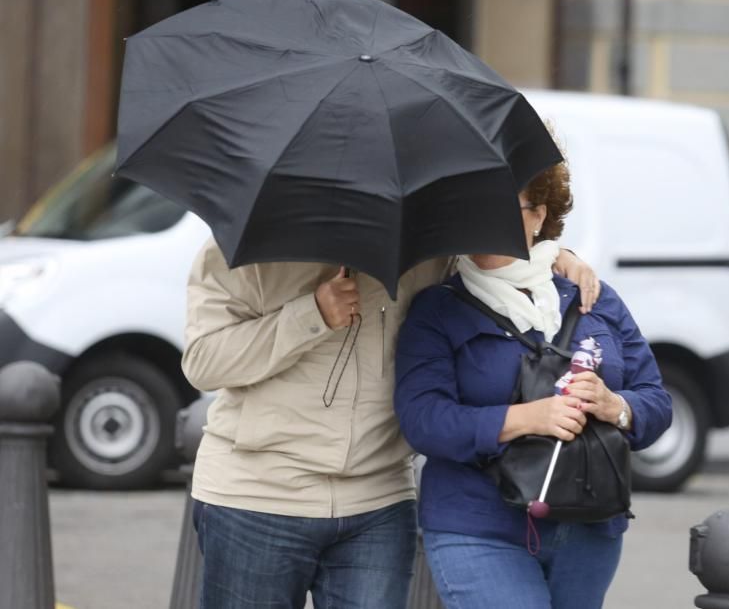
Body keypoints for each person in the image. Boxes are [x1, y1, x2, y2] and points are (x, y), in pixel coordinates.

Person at [180, 233, 600, 608]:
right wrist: (311, 315)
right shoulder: (239, 245)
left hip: (378, 502)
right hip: (256, 498)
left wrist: (555, 255)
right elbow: (203, 363)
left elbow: (491, 265)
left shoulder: (428, 248)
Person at [394, 161, 673, 609]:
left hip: (589, 527)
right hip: (479, 525)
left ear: (539, 216)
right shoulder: (437, 309)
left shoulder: (592, 299)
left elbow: (657, 401)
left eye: (502, 208)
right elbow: (423, 420)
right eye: (475, 208)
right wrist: (526, 418)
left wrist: (614, 405)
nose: (484, 222)